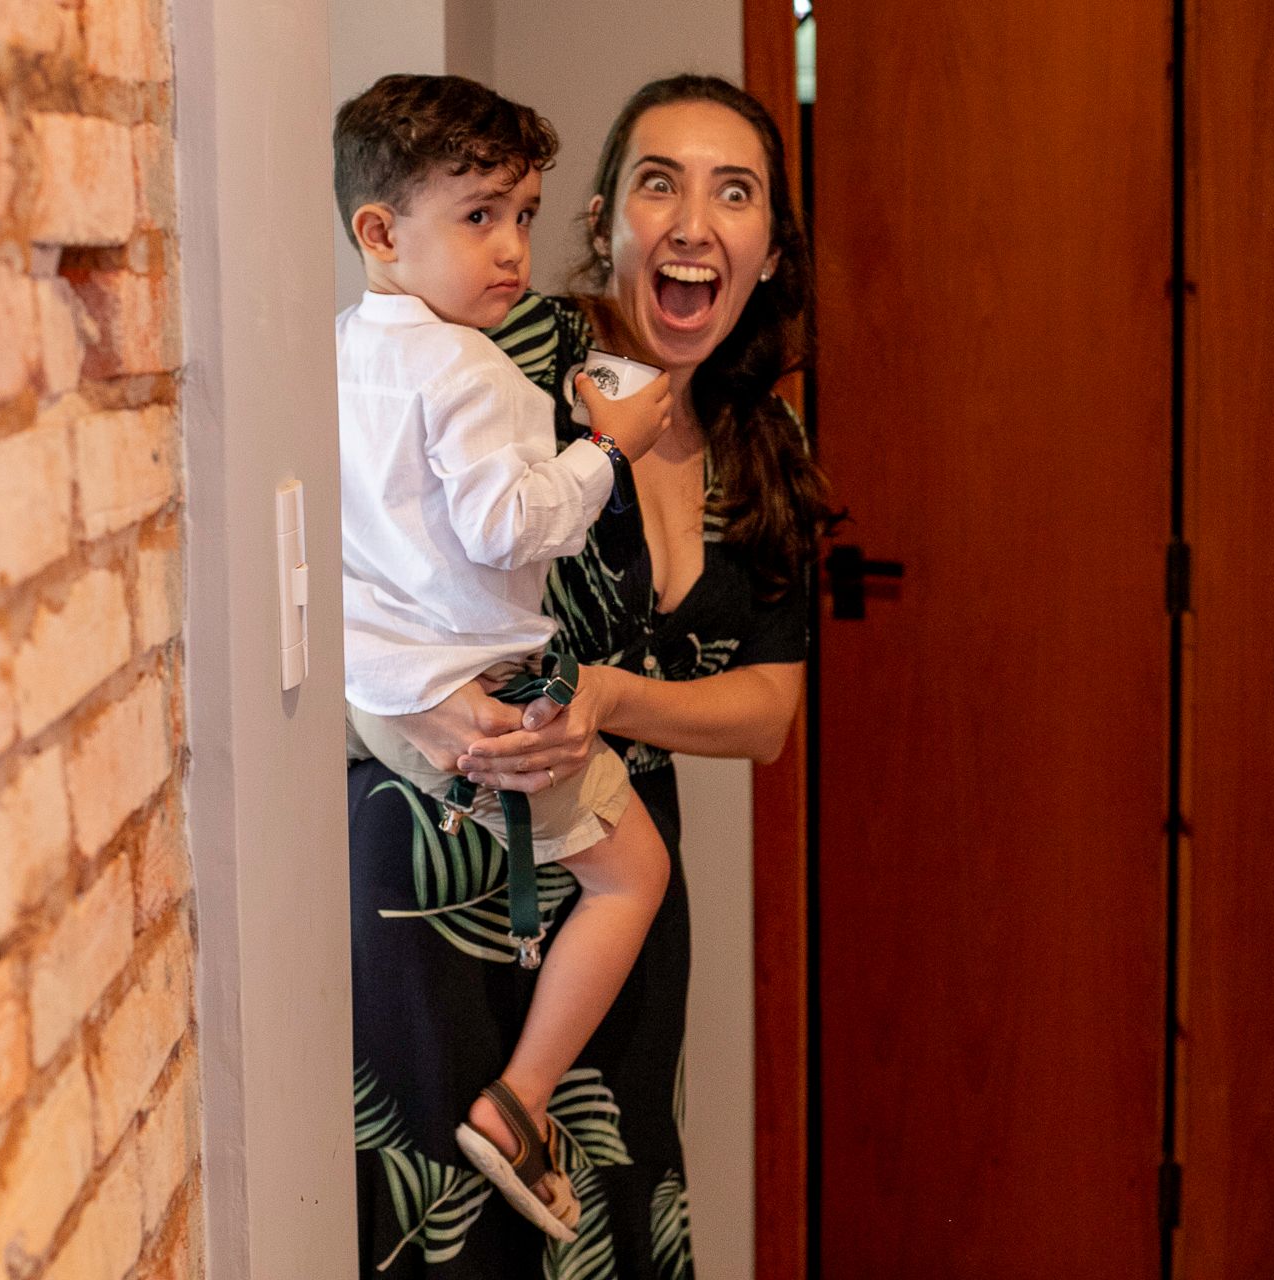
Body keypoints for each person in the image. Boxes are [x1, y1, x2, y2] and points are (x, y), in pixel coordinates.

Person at [349, 74, 833, 1278]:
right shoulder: (507, 350)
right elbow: (358, 530)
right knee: (447, 1231)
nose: (693, 223)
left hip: (619, 890)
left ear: (770, 250)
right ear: (607, 218)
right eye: (659, 184)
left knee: (610, 1215)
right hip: (454, 853)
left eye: (735, 193)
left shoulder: (766, 445)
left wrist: (611, 698)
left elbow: (767, 713)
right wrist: (412, 693)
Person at [333, 73, 678, 1242]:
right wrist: (607, 449)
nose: (512, 248)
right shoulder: (470, 368)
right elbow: (506, 526)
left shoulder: (343, 351)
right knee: (634, 873)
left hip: (384, 697)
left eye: (523, 214)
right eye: (478, 215)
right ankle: (520, 1100)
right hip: (482, 693)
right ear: (381, 231)